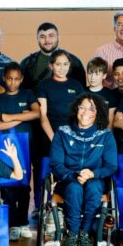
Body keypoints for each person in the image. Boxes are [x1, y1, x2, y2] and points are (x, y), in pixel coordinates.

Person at [50, 94, 117, 246]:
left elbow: (111, 166)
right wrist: (74, 176)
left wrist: (93, 173)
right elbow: (56, 164)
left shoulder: (105, 135)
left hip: (95, 179)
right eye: (82, 107)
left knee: (94, 187)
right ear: (76, 109)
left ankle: (85, 233)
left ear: (98, 113)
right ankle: (72, 233)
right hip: (68, 179)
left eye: (91, 108)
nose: (86, 112)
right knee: (74, 188)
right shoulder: (62, 132)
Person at [0, 63, 41, 240]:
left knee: (25, 185)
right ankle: (13, 223)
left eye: (17, 79)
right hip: (6, 147)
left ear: (22, 79)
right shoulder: (0, 99)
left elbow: (36, 114)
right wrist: (22, 116)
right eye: (9, 78)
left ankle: (23, 222)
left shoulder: (27, 94)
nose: (13, 82)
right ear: (4, 78)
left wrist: (10, 117)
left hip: (26, 146)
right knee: (9, 185)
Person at [35, 49, 86, 206]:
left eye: (65, 64)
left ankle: (65, 206)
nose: (62, 68)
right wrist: (54, 138)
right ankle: (41, 207)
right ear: (51, 65)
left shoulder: (76, 86)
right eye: (58, 64)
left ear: (69, 65)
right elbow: (42, 115)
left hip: (72, 139)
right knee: (45, 174)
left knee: (69, 174)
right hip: (49, 136)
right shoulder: (44, 85)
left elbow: (82, 113)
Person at [19, 22, 86, 90]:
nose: (47, 40)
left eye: (51, 36)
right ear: (37, 39)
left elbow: (82, 92)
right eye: (42, 37)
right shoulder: (26, 63)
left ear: (58, 37)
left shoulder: (74, 62)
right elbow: (21, 91)